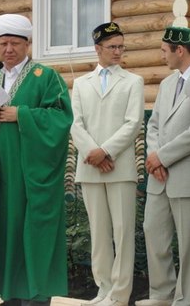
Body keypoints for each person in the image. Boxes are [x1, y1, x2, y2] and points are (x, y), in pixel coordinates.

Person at [0, 14, 73, 306]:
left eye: (15, 43)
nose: (8, 49)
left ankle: (33, 297)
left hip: (26, 174)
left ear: (27, 44)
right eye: (3, 43)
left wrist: (21, 114)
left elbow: (61, 118)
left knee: (27, 232)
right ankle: (6, 293)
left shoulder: (45, 77)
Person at [137, 27, 190, 306]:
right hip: (159, 175)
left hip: (188, 175)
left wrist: (163, 157)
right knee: (153, 231)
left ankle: (184, 301)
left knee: (189, 245)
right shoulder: (167, 84)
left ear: (179, 50)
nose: (162, 56)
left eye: (164, 50)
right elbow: (154, 125)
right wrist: (153, 157)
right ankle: (161, 294)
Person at [71, 22, 144, 306]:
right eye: (112, 47)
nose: (117, 52)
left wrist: (106, 151)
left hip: (119, 167)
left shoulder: (132, 81)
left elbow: (133, 122)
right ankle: (103, 289)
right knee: (99, 232)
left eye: (121, 46)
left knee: (123, 232)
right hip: (90, 166)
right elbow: (75, 124)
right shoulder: (81, 83)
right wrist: (93, 152)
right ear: (98, 49)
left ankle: (120, 294)